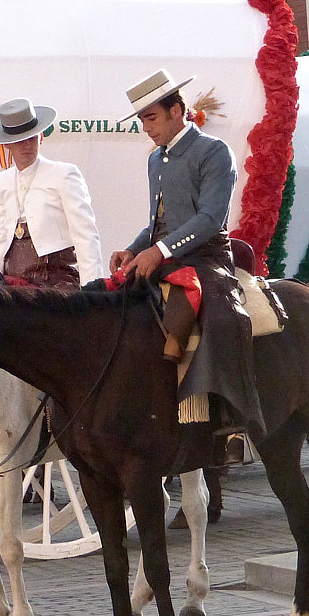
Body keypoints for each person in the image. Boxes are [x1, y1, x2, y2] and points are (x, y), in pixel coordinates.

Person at [109, 69, 262, 459]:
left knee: (222, 318)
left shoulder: (214, 151)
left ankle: (231, 424)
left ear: (178, 110)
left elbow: (210, 218)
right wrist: (133, 250)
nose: (146, 128)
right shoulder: (155, 160)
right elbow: (157, 223)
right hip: (166, 256)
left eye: (151, 118)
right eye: (142, 120)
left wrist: (159, 250)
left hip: (208, 256)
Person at [0, 97, 105, 287]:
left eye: (31, 137)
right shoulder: (3, 180)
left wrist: (93, 289)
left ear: (40, 136)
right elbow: (1, 236)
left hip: (56, 279)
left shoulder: (63, 173)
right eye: (20, 140)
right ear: (7, 144)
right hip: (13, 280)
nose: (27, 145)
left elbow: (85, 234)